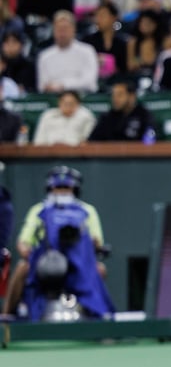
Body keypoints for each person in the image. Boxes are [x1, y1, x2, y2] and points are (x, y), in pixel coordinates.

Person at [1, 166, 108, 318]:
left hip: (79, 262)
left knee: (99, 270)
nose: (61, 191)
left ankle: (93, 313)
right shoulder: (38, 210)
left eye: (66, 187)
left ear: (74, 189)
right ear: (50, 188)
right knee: (22, 268)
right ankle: (7, 315)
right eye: (58, 187)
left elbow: (97, 242)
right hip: (44, 261)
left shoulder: (88, 211)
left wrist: (87, 242)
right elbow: (23, 242)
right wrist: (29, 253)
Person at [36, 10, 99, 93]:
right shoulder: (45, 56)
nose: (62, 33)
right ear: (53, 30)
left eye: (65, 29)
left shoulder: (87, 51)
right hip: (54, 98)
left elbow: (89, 82)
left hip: (83, 97)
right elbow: (42, 86)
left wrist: (63, 85)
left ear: (73, 29)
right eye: (59, 29)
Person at [89, 78, 156, 141]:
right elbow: (92, 141)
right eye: (113, 95)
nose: (115, 99)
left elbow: (151, 139)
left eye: (119, 95)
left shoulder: (144, 115)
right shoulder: (107, 117)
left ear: (132, 96)